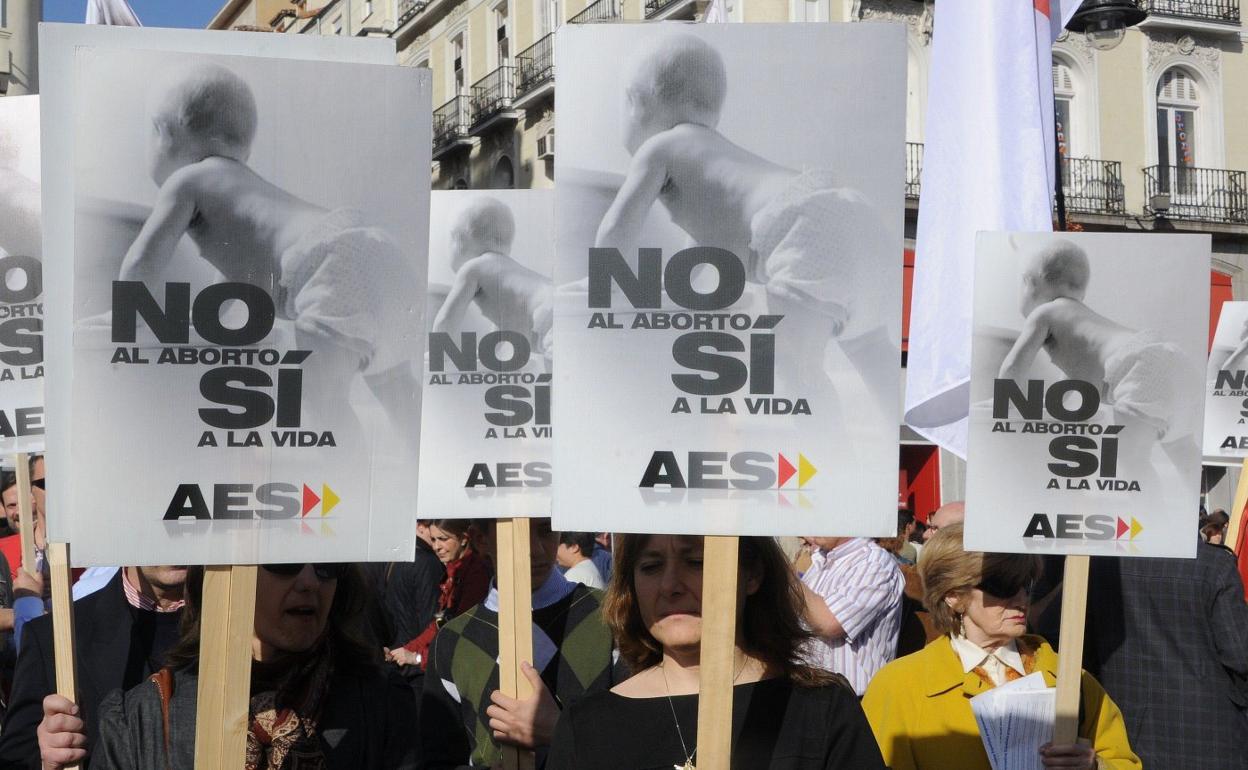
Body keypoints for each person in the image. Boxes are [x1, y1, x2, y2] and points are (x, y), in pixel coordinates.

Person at [118, 62, 421, 453]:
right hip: (378, 255)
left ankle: (347, 490)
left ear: (164, 134)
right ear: (245, 145)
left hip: (329, 263)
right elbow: (229, 299)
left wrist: (124, 332)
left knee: (319, 396)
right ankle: (427, 467)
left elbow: (141, 264)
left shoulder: (187, 181)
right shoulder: (243, 195)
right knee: (395, 387)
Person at [595, 33, 895, 411]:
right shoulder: (714, 160)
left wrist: (602, 298)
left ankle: (830, 462)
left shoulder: (659, 148)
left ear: (633, 103)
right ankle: (900, 433)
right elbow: (703, 262)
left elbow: (615, 230)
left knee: (793, 367)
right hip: (849, 214)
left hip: (800, 226)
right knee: (868, 345)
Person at [547, 534, 886, 769]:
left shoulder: (820, 709)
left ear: (751, 574)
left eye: (695, 561)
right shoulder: (588, 725)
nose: (670, 585)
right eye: (650, 566)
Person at [861, 525, 1141, 770]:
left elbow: (1123, 761)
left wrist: (1094, 766)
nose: (1021, 598)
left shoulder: (1069, 678)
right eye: (1003, 585)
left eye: (1026, 584)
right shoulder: (899, 686)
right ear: (953, 596)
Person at [88, 563, 416, 769]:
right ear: (223, 573)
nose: (309, 581)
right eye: (283, 562)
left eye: (326, 566)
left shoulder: (380, 704)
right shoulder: (141, 720)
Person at [420, 518, 621, 769]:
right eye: (516, 534)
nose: (535, 549)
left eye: (546, 530)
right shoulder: (452, 640)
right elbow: (437, 757)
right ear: (481, 539)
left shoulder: (611, 617)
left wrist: (560, 731)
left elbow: (642, 739)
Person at [998, 239, 1195, 475]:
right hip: (1170, 358)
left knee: (1132, 459)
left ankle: (1151, 511)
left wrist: (1007, 408)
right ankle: (1197, 504)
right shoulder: (1079, 322)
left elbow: (1012, 367)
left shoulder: (1043, 314)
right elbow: (1072, 381)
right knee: (1180, 447)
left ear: (1030, 283)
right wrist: (1050, 408)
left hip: (1136, 364)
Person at [1066, 539, 1248, 769]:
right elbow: (1240, 657)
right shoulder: (1213, 565)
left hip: (1126, 733)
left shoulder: (1099, 562)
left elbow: (1077, 647)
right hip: (1209, 734)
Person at [1, 566, 186, 769]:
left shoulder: (224, 629)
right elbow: (16, 760)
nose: (179, 535)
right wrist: (47, 761)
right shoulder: (50, 637)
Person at [432, 196, 553, 372]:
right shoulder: (506, 275)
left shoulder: (472, 269)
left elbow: (445, 319)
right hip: (555, 304)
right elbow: (502, 339)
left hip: (547, 320)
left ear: (457, 242)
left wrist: (438, 354)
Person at [798, 536, 904, 696]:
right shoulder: (822, 559)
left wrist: (788, 576)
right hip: (813, 692)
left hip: (853, 702)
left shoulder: (874, 561)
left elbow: (828, 623)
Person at [386, 518, 491, 670]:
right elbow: (439, 623)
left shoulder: (475, 574)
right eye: (433, 539)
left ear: (463, 539)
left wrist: (417, 657)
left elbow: (464, 632)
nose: (436, 547)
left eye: (443, 539)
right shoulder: (454, 572)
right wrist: (407, 649)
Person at [367, 519, 445, 698]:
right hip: (417, 668)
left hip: (397, 660)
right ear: (420, 526)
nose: (437, 543)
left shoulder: (393, 559)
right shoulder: (427, 562)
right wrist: (416, 655)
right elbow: (435, 621)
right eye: (433, 535)